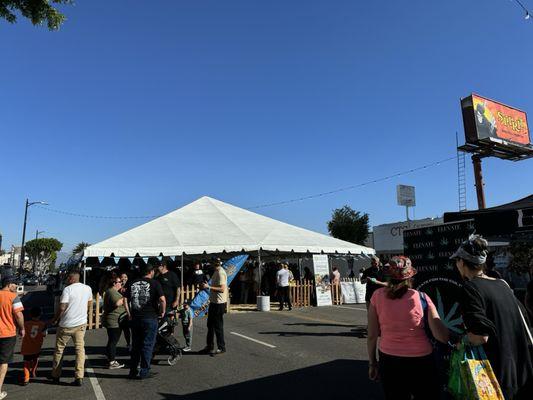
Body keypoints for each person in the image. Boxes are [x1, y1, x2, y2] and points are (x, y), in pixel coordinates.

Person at [452, 235, 533, 399]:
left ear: (461, 262)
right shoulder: (502, 284)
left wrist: (462, 341)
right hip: (523, 370)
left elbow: (481, 336)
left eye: (457, 261)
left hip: (496, 376)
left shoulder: (470, 289)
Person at [367, 256, 449, 400]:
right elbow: (441, 336)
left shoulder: (376, 296)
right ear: (410, 276)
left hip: (389, 360)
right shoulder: (422, 298)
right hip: (421, 361)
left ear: (389, 275)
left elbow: (372, 335)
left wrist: (373, 363)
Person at [50, 270, 92, 386]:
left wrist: (55, 319)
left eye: (69, 278)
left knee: (59, 350)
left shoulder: (67, 290)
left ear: (73, 279)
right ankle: (79, 376)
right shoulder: (87, 288)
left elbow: (62, 307)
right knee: (80, 350)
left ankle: (56, 375)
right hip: (80, 323)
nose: (67, 279)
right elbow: (89, 303)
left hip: (66, 324)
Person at [124, 263, 165, 379]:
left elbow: (125, 299)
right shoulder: (155, 283)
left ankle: (133, 371)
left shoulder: (132, 282)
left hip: (136, 317)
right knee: (147, 345)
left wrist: (129, 313)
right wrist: (162, 311)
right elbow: (162, 300)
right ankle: (144, 371)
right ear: (151, 272)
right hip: (150, 317)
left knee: (136, 345)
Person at [0, 276, 24, 400]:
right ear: (9, 285)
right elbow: (19, 315)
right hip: (7, 334)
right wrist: (22, 328)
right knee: (3, 362)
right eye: (15, 284)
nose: (16, 287)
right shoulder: (13, 297)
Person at [200, 259, 227, 356]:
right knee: (210, 325)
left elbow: (222, 289)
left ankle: (221, 347)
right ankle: (209, 346)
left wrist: (209, 287)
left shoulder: (220, 273)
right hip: (214, 302)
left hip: (219, 303)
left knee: (218, 326)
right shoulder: (216, 271)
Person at [102, 274, 127, 369]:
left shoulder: (114, 291)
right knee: (113, 341)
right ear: (114, 283)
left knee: (112, 341)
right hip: (114, 321)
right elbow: (117, 303)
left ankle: (110, 359)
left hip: (115, 320)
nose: (121, 283)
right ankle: (112, 361)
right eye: (119, 282)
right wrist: (125, 297)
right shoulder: (111, 292)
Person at [20, 306, 46, 385]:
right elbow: (44, 334)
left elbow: (21, 332)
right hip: (36, 347)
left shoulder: (25, 324)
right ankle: (33, 371)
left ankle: (26, 378)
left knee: (26, 363)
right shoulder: (42, 324)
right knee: (35, 359)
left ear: (30, 315)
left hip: (26, 347)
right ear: (40, 315)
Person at [118, 272, 131, 349]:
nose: (124, 279)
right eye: (122, 277)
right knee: (123, 329)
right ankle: (128, 343)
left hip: (128, 309)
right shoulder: (118, 286)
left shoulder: (129, 286)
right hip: (120, 309)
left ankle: (130, 343)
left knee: (129, 329)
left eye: (125, 277)